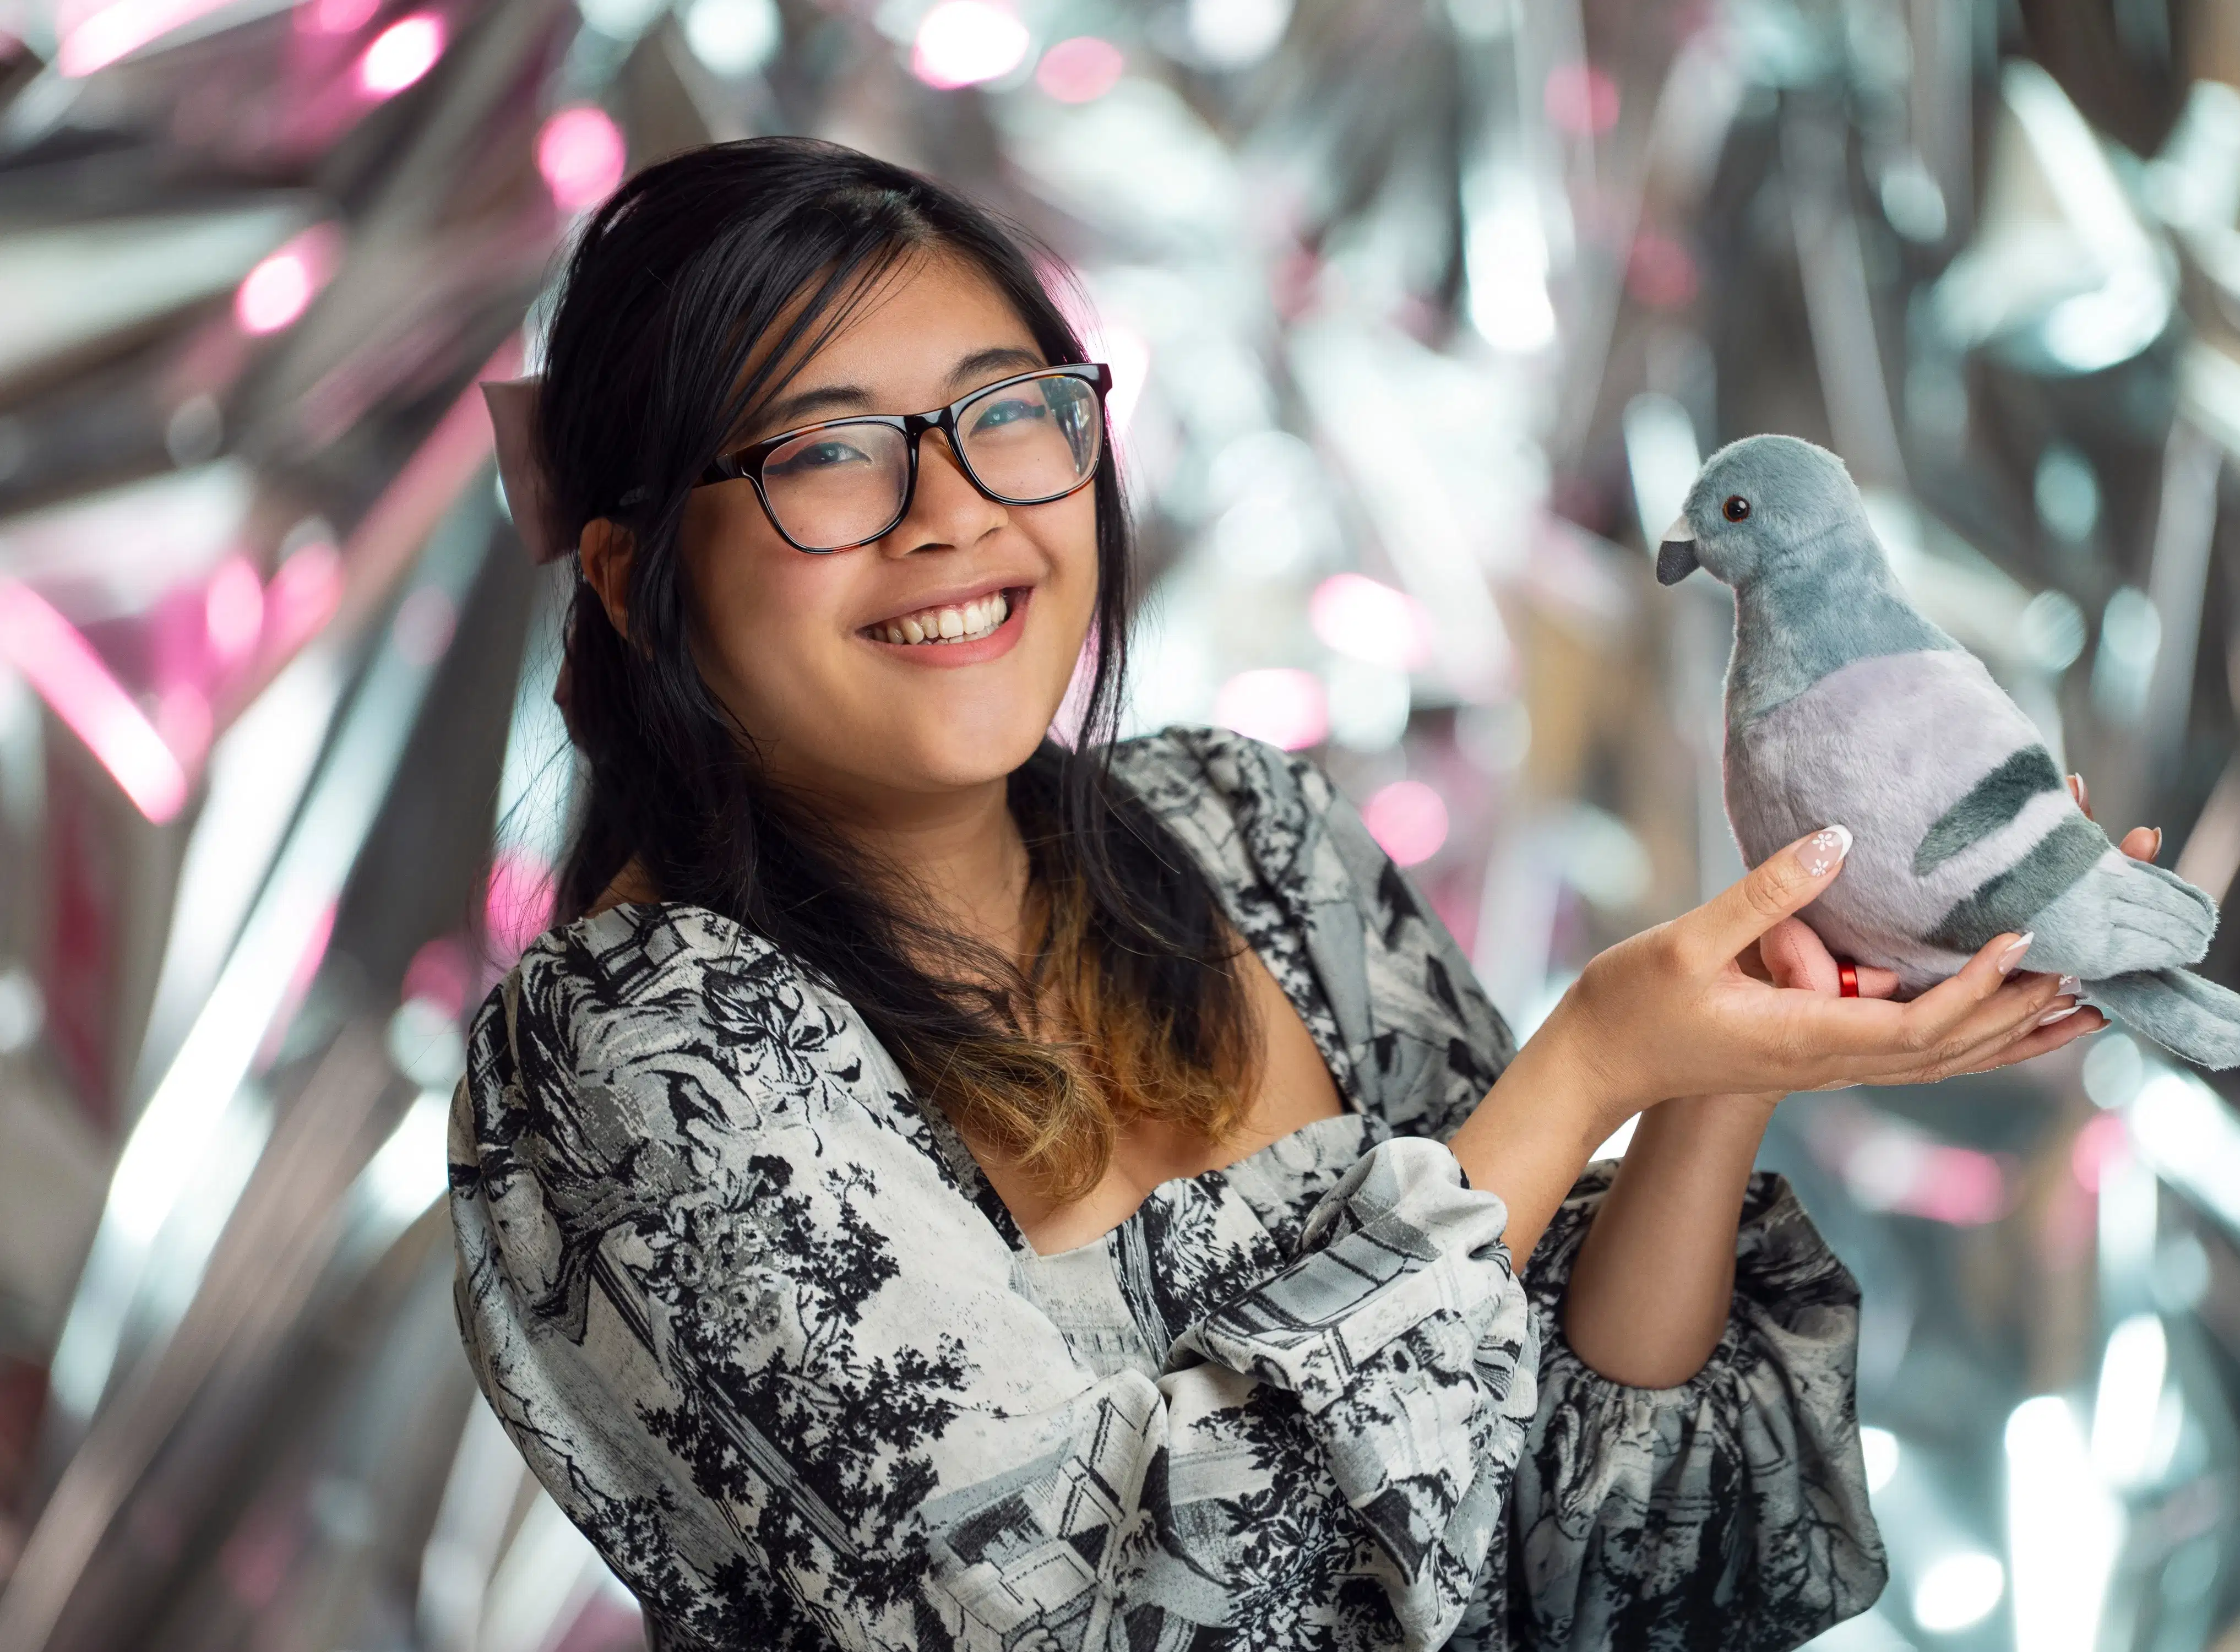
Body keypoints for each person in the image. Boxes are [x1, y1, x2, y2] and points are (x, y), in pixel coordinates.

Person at [448, 137, 2129, 1651]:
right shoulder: (639, 1047)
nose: (954, 514)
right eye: (825, 452)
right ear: (635, 572)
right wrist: (1581, 1071)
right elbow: (1086, 1628)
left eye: (1004, 412)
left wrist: (1708, 1078)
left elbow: (1585, 1564)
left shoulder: (1239, 832)